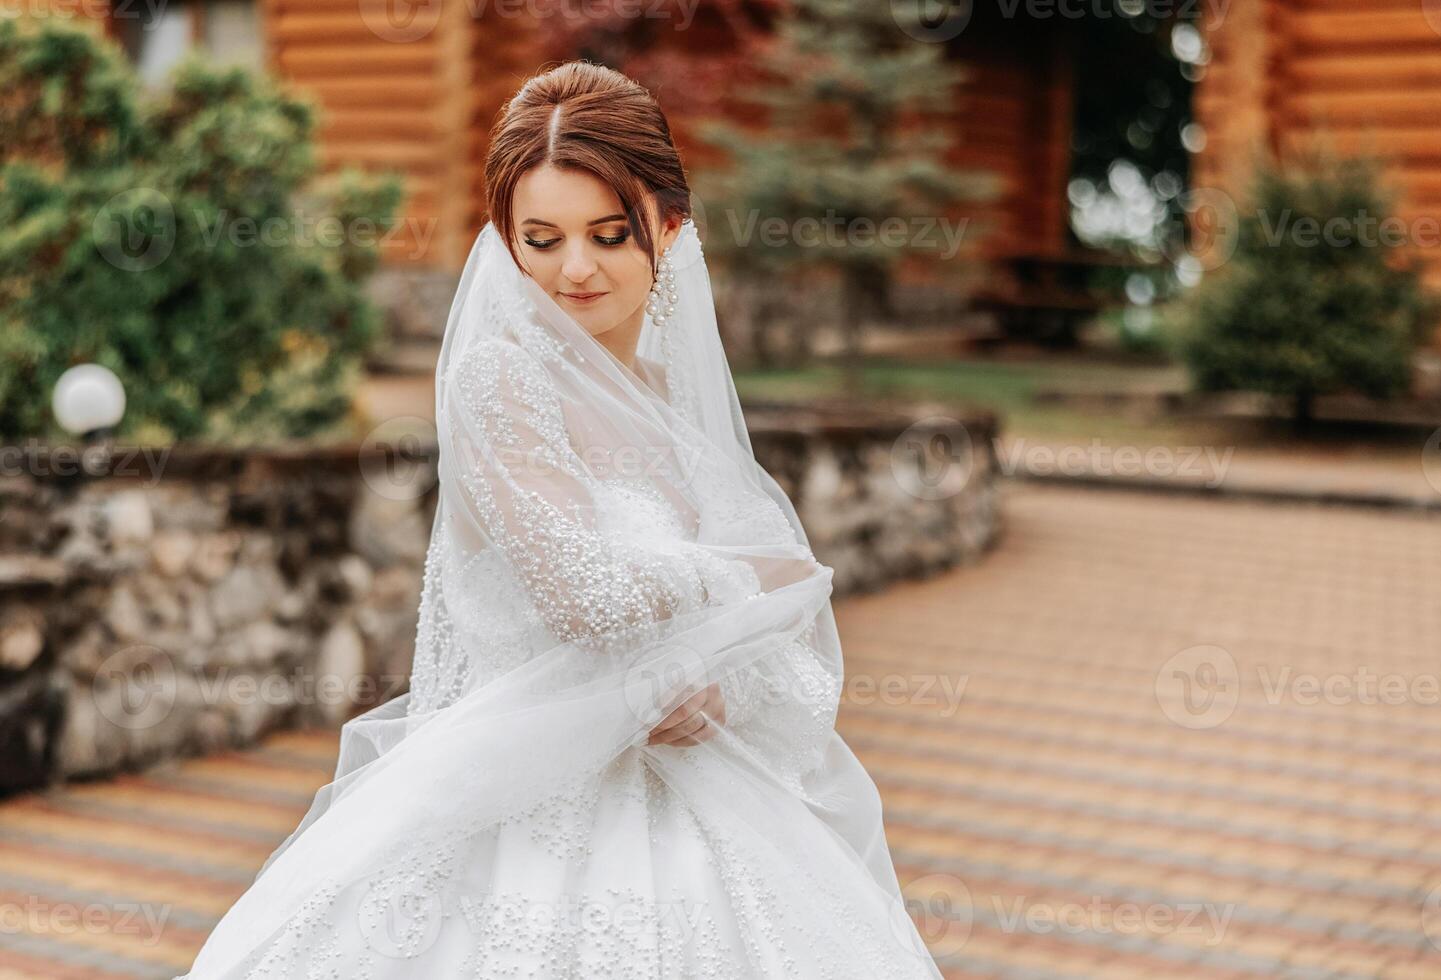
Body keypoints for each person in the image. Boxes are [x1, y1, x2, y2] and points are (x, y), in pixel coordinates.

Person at [175, 60, 945, 979]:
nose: (573, 270)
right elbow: (593, 600)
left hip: (698, 796)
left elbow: (795, 627)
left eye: (609, 235)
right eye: (539, 239)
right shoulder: (500, 382)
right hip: (528, 809)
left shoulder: (671, 397)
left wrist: (722, 686)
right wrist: (745, 585)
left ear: (669, 225)